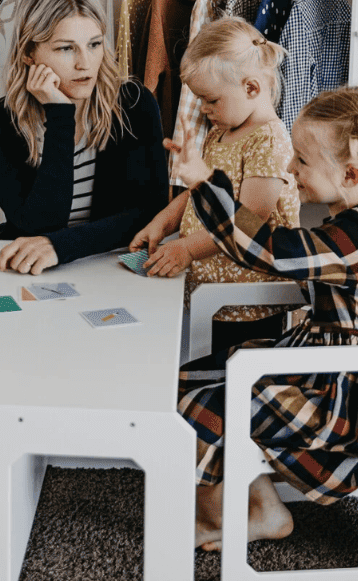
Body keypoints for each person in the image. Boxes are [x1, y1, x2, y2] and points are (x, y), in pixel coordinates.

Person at [172, 85, 358, 551]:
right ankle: (264, 506)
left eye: (302, 161)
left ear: (350, 173)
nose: (290, 168)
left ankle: (222, 515)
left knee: (203, 408)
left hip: (344, 404)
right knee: (189, 380)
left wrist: (205, 184)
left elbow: (272, 250)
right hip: (321, 368)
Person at [0, 0, 168, 274]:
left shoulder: (133, 105)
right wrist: (60, 115)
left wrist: (62, 247)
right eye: (66, 49)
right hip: (35, 267)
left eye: (94, 44)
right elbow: (38, 226)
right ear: (28, 53)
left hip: (105, 262)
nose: (85, 63)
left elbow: (150, 212)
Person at [129, 18, 300, 349]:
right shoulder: (219, 133)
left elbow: (249, 221)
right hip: (211, 294)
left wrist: (188, 248)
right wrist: (163, 221)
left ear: (251, 88)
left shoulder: (269, 141)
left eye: (212, 100)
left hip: (248, 303)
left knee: (230, 373)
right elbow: (200, 194)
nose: (204, 109)